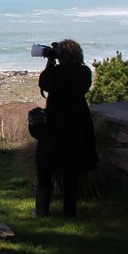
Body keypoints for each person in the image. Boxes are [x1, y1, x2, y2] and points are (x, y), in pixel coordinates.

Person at [36, 39, 99, 218]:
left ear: (61, 56)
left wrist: (50, 62)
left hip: (55, 121)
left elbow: (44, 83)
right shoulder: (84, 72)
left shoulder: (56, 73)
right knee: (72, 170)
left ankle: (42, 211)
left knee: (45, 167)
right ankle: (70, 212)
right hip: (78, 122)